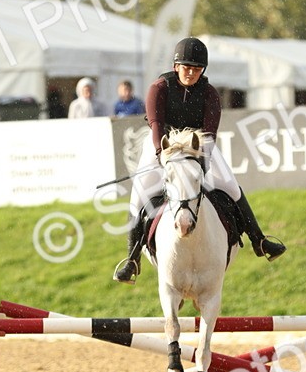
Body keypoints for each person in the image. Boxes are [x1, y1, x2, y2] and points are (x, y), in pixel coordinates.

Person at [113, 37, 287, 284]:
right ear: (176, 67)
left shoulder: (209, 94)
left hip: (198, 147)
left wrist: (200, 164)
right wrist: (163, 155)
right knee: (138, 195)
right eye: (186, 68)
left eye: (196, 69)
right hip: (163, 144)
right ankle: (131, 259)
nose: (191, 73)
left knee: (231, 187)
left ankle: (259, 240)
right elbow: (156, 127)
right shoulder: (159, 88)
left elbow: (209, 135)